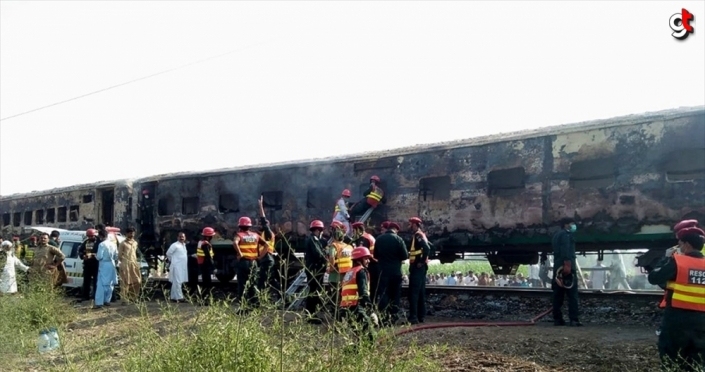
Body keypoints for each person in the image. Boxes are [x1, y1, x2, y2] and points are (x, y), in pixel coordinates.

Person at [648, 224, 705, 371]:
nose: (678, 247)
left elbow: (654, 277)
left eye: (679, 244)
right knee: (698, 363)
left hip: (677, 321)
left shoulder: (678, 261)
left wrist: (666, 258)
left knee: (671, 360)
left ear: (686, 245)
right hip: (702, 323)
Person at [340, 246, 377, 344]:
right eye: (366, 258)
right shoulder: (361, 271)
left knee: (359, 336)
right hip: (356, 307)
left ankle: (353, 355)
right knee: (370, 337)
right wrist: (371, 311)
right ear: (359, 260)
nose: (368, 261)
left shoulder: (350, 272)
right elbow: (363, 292)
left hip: (345, 308)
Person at [373, 222, 408, 325]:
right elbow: (405, 255)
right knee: (395, 295)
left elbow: (375, 255)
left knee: (384, 294)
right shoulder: (398, 239)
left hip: (383, 272)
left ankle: (383, 318)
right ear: (395, 230)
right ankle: (393, 317)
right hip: (396, 272)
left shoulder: (379, 239)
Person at [232, 216, 269, 310]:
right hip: (254, 263)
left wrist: (240, 254)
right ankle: (255, 306)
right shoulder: (255, 235)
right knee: (253, 284)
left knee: (242, 285)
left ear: (239, 226)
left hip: (244, 262)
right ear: (250, 226)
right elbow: (267, 245)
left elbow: (235, 243)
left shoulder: (239, 235)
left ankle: (242, 307)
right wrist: (260, 257)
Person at [551, 217, 582, 327]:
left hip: (557, 268)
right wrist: (567, 265)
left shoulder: (556, 235)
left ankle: (557, 320)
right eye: (572, 223)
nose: (573, 226)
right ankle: (574, 320)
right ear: (566, 225)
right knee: (572, 294)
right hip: (566, 268)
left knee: (557, 294)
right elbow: (566, 249)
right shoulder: (566, 235)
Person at [407, 217, 430, 324]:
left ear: (415, 225)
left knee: (414, 292)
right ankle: (421, 316)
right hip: (419, 267)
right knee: (420, 292)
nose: (409, 226)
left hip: (417, 267)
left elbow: (427, 248)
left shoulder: (418, 235)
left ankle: (413, 317)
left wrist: (421, 261)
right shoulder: (420, 235)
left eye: (410, 224)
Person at [304, 220, 327, 324]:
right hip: (314, 270)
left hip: (314, 269)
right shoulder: (313, 239)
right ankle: (311, 315)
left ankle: (312, 314)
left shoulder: (315, 239)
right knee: (313, 292)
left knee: (314, 292)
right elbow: (318, 254)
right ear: (318, 230)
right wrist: (326, 257)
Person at [256, 196, 279, 301]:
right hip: (267, 259)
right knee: (270, 280)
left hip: (267, 259)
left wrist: (260, 206)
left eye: (262, 224)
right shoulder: (264, 234)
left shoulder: (268, 233)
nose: (259, 225)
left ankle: (259, 301)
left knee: (262, 281)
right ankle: (284, 296)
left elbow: (264, 220)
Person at [352, 222, 378, 305]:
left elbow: (362, 254)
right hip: (371, 264)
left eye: (354, 231)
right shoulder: (368, 237)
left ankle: (367, 305)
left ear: (358, 230)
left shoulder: (363, 239)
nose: (353, 233)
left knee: (366, 287)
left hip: (368, 264)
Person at [94, 229, 118, 309]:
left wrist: (95, 256)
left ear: (101, 236)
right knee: (110, 283)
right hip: (111, 264)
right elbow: (116, 256)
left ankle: (99, 302)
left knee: (101, 284)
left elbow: (99, 256)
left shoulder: (101, 244)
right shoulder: (113, 244)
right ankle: (107, 300)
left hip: (104, 264)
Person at [118, 227, 142, 304]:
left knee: (137, 281)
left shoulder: (135, 243)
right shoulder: (123, 243)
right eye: (130, 233)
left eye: (132, 233)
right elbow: (119, 256)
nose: (131, 234)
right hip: (125, 264)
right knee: (125, 282)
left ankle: (133, 298)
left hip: (134, 264)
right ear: (126, 234)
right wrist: (124, 263)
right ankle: (124, 300)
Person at [77, 229, 100, 302]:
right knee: (86, 280)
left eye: (91, 236)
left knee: (96, 281)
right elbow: (80, 251)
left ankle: (96, 296)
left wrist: (92, 255)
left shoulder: (99, 243)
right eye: (89, 236)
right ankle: (85, 296)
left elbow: (100, 253)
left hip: (96, 264)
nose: (90, 238)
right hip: (87, 264)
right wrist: (83, 256)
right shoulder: (85, 242)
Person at [166, 232, 189, 303]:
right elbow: (168, 253)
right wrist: (173, 261)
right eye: (180, 236)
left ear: (185, 238)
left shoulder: (184, 245)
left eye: (183, 237)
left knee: (176, 282)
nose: (182, 238)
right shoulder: (175, 245)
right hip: (176, 266)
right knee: (178, 282)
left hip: (182, 266)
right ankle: (180, 297)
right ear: (177, 237)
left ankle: (173, 297)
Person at [197, 227, 216, 303]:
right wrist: (214, 267)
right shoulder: (205, 244)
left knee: (205, 282)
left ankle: (203, 299)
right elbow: (208, 256)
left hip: (202, 263)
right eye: (211, 235)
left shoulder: (200, 242)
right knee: (207, 283)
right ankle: (205, 300)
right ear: (208, 236)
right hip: (205, 264)